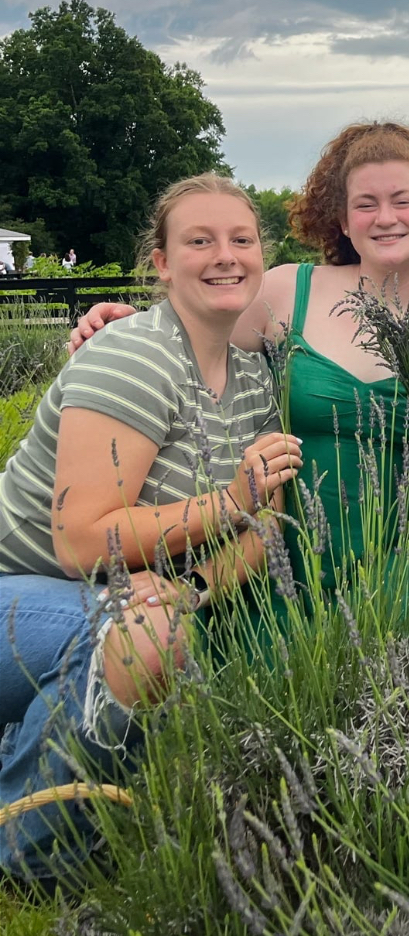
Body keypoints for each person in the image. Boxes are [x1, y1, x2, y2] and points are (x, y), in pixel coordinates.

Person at [69, 122, 409, 637]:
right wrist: (124, 325)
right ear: (342, 219)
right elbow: (194, 340)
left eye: (401, 201)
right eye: (365, 204)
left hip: (405, 577)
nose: (384, 218)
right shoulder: (287, 290)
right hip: (272, 576)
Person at [0, 175, 301, 875]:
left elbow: (272, 522)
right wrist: (228, 503)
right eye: (199, 241)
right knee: (144, 638)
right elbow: (80, 539)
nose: (225, 256)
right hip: (21, 588)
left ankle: (40, 782)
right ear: (162, 261)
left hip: (90, 605)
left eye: (241, 239)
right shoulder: (135, 354)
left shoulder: (252, 372)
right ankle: (26, 851)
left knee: (161, 623)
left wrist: (192, 586)